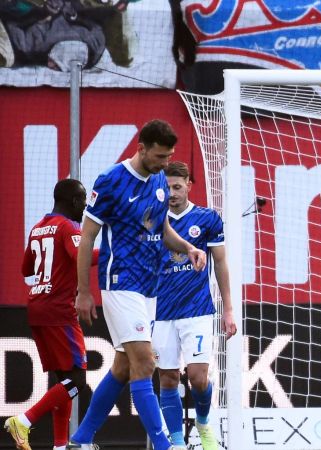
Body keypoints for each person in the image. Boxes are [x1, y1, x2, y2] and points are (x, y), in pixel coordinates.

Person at [68, 120, 207, 450]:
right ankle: (164, 446)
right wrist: (84, 291)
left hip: (150, 287)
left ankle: (82, 438)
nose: (164, 163)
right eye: (160, 156)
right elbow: (87, 237)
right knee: (145, 363)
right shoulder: (112, 181)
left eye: (168, 156)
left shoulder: (159, 179)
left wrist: (187, 247)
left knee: (122, 367)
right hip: (121, 282)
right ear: (141, 148)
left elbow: (162, 229)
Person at [153, 161, 237, 450]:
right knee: (168, 378)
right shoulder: (153, 219)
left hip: (197, 310)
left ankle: (202, 423)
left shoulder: (207, 218)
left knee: (199, 378)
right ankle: (176, 443)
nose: (172, 193)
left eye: (177, 186)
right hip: (160, 312)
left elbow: (222, 263)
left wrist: (228, 309)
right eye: (167, 187)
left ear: (189, 185)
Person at [5, 179, 93, 450]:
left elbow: (26, 270)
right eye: (82, 200)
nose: (85, 206)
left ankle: (59, 445)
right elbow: (82, 256)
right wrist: (115, 255)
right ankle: (24, 420)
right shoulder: (68, 227)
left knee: (63, 381)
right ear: (74, 202)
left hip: (37, 308)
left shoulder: (37, 228)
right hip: (59, 312)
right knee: (78, 381)